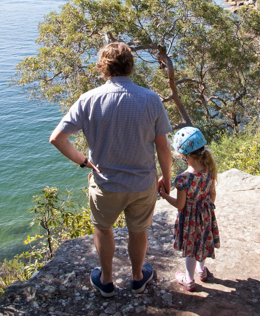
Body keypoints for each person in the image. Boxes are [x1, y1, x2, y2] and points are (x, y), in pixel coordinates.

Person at [49, 42, 173, 297]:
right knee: (138, 231)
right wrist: (167, 178)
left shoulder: (88, 99)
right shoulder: (151, 99)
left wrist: (84, 161)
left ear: (103, 67)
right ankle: (138, 278)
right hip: (142, 183)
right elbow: (162, 147)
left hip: (105, 183)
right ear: (131, 66)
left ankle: (106, 281)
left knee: (103, 228)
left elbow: (57, 139)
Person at [158, 126, 220, 292]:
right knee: (201, 242)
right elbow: (212, 194)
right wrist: (206, 209)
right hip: (206, 214)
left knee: (190, 248)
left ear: (183, 155)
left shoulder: (183, 179)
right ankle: (201, 270)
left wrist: (164, 195)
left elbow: (180, 205)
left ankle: (189, 279)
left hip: (190, 218)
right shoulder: (210, 170)